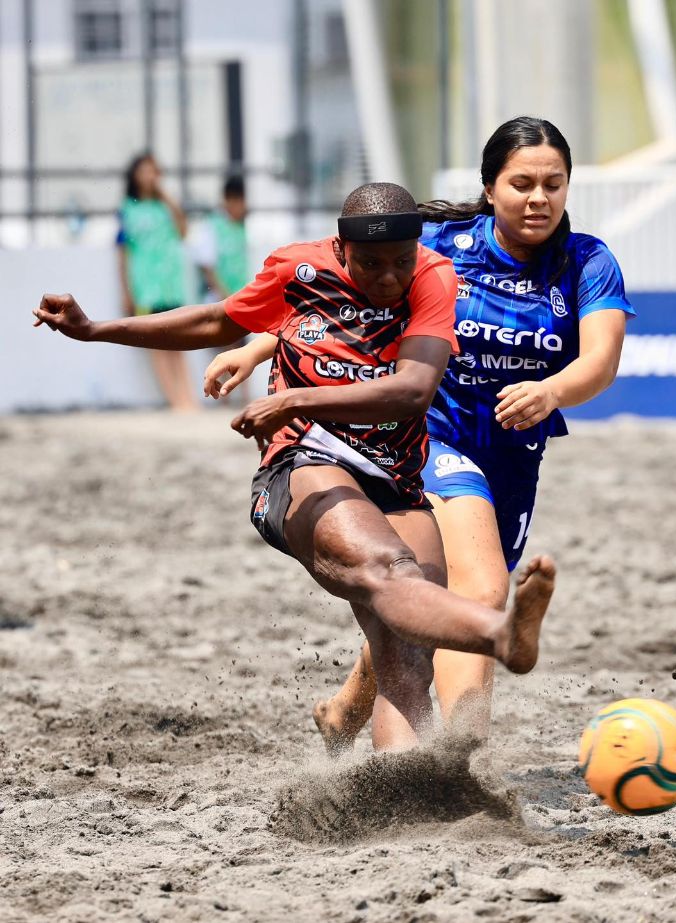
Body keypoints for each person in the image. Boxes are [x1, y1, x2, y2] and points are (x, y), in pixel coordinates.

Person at [33, 181, 556, 754]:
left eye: (399, 262)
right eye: (370, 264)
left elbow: (412, 390)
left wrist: (294, 397)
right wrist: (95, 330)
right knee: (390, 568)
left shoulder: (432, 275)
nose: (388, 278)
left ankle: (405, 792)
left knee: (407, 662)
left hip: (396, 476)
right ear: (341, 247)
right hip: (302, 461)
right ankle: (501, 636)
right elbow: (218, 320)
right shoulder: (298, 270)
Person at [205, 117, 634, 754]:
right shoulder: (438, 243)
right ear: (490, 188)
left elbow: (599, 361)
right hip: (427, 433)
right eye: (522, 183)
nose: (538, 198)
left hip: (514, 450)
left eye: (553, 183)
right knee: (481, 587)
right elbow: (332, 295)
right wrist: (260, 343)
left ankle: (344, 711)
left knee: (421, 596)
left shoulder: (588, 260)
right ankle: (460, 752)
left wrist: (552, 391)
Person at [117, 152, 196, 412]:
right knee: (157, 345)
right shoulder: (128, 209)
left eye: (153, 170)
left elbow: (184, 231)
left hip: (171, 284)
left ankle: (188, 399)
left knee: (179, 341)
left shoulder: (165, 206)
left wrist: (166, 195)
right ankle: (175, 400)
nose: (149, 176)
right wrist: (127, 292)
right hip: (146, 288)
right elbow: (123, 253)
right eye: (144, 171)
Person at [193, 174, 253, 402]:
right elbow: (207, 265)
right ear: (230, 200)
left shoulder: (240, 228)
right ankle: (225, 397)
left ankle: (243, 396)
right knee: (225, 347)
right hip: (221, 297)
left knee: (241, 344)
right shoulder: (213, 226)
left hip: (240, 295)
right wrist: (223, 294)